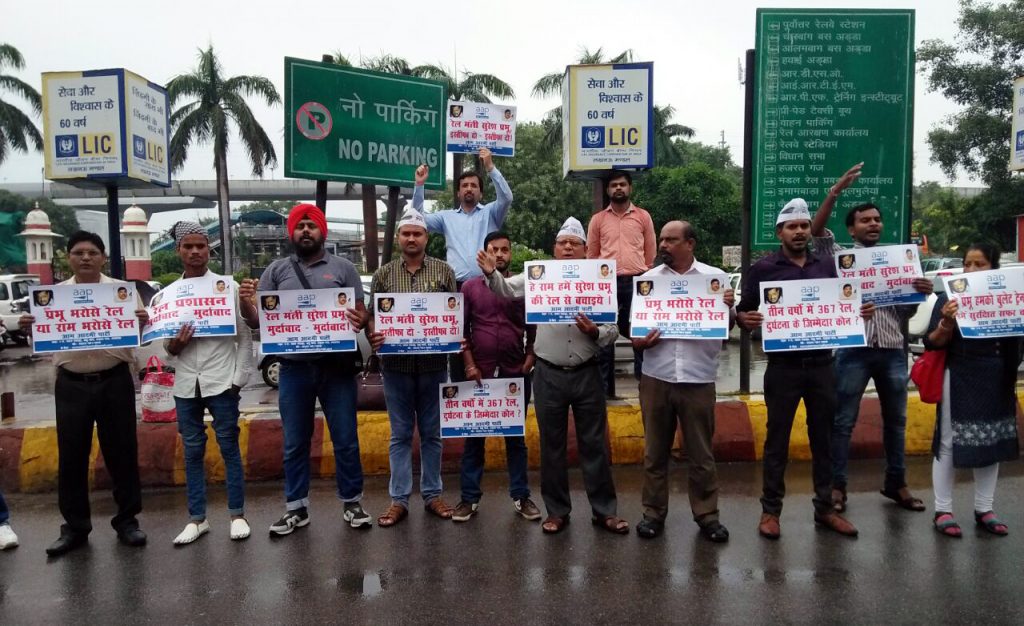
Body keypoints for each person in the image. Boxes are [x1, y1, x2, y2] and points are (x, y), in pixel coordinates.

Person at [480, 217, 626, 535]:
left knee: (594, 445)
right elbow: (505, 289)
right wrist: (491, 273)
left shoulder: (600, 277)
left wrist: (595, 331)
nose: (569, 247)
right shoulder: (539, 275)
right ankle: (557, 511)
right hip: (548, 372)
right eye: (563, 243)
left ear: (586, 249)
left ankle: (604, 511)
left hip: (587, 373)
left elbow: (613, 328)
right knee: (552, 446)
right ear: (555, 249)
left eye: (575, 243)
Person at [737, 200, 870, 540]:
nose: (799, 231)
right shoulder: (763, 270)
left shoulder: (828, 266)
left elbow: (846, 305)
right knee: (776, 441)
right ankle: (770, 512)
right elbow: (743, 311)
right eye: (791, 226)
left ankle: (825, 509)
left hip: (824, 366)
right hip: (783, 369)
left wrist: (859, 313)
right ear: (779, 232)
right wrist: (743, 319)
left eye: (804, 225)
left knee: (823, 439)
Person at [810, 164, 933, 514]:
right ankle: (838, 487)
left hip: (893, 348)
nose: (873, 224)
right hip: (853, 349)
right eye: (865, 220)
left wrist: (917, 293)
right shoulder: (841, 258)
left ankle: (897, 483)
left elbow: (904, 315)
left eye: (877, 219)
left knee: (896, 421)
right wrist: (835, 191)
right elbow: (817, 231)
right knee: (843, 422)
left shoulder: (900, 261)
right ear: (852, 228)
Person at [19, 231, 148, 556]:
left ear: (103, 257)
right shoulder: (51, 297)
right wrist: (29, 325)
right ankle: (75, 527)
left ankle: (127, 521)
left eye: (92, 252)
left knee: (122, 453)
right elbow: (39, 338)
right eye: (78, 252)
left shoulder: (121, 293)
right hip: (72, 384)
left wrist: (145, 321)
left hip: (114, 379)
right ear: (67, 257)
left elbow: (141, 334)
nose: (86, 257)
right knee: (72, 456)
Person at [252, 204, 373, 535]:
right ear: (291, 233)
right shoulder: (276, 271)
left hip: (336, 369)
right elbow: (261, 321)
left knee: (345, 438)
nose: (305, 231)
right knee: (294, 441)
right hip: (293, 369)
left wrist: (362, 320)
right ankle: (296, 508)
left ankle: (352, 502)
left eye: (311, 226)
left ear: (323, 231)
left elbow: (360, 315)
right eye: (300, 226)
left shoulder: (344, 268)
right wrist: (246, 306)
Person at [633, 221, 735, 543]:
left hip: (698, 379)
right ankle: (652, 514)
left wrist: (729, 309)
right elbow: (635, 335)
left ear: (689, 244)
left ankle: (707, 515)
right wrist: (641, 343)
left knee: (701, 454)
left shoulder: (713, 280)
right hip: (656, 378)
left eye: (671, 240)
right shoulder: (647, 283)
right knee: (654, 453)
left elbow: (726, 327)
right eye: (662, 239)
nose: (663, 245)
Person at [164, 221, 255, 546]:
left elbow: (245, 337)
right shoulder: (170, 295)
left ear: (208, 250)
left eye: (200, 246)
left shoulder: (226, 289)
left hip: (222, 383)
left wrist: (238, 380)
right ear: (178, 251)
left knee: (229, 448)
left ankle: (237, 514)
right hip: (186, 384)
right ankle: (197, 519)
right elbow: (167, 348)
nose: (194, 251)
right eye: (187, 246)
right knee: (191, 452)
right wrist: (175, 345)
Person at [369, 208, 458, 527]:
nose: (411, 238)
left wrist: (454, 335)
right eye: (406, 233)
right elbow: (371, 317)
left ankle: (433, 494)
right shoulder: (383, 275)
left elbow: (453, 313)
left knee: (433, 434)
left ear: (426, 238)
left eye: (417, 233)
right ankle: (399, 500)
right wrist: (373, 333)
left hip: (435, 366)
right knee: (401, 434)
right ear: (398, 238)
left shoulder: (444, 271)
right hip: (396, 367)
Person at [923, 244, 1020, 538]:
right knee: (950, 442)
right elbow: (932, 342)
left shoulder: (1009, 298)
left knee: (991, 441)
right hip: (961, 375)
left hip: (998, 376)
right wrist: (947, 322)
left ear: (994, 268)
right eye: (968, 264)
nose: (973, 270)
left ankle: (984, 509)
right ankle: (943, 510)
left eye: (981, 264)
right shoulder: (947, 297)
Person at [453, 231, 540, 523]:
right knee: (474, 438)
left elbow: (533, 326)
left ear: (511, 254)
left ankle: (521, 495)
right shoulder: (469, 288)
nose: (500, 254)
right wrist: (469, 364)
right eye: (494, 250)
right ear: (484, 254)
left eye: (505, 250)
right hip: (480, 373)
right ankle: (469, 498)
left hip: (516, 372)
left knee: (515, 438)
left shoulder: (523, 286)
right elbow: (461, 331)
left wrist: (530, 357)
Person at [412, 147, 513, 383]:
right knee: (458, 338)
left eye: (474, 185)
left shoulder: (491, 213)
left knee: (487, 335)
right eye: (464, 185)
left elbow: (507, 197)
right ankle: (458, 386)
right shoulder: (446, 217)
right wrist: (419, 186)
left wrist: (490, 168)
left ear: (480, 191)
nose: (469, 188)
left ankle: (494, 386)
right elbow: (417, 218)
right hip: (456, 288)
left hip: (488, 285)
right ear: (458, 192)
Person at [587, 171, 657, 390]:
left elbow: (650, 252)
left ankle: (644, 385)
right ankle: (606, 390)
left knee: (639, 331)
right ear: (608, 190)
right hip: (607, 284)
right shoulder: (598, 219)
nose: (619, 188)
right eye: (614, 185)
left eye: (623, 184)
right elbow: (592, 254)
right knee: (606, 335)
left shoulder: (643, 216)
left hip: (638, 281)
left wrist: (645, 273)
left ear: (630, 188)